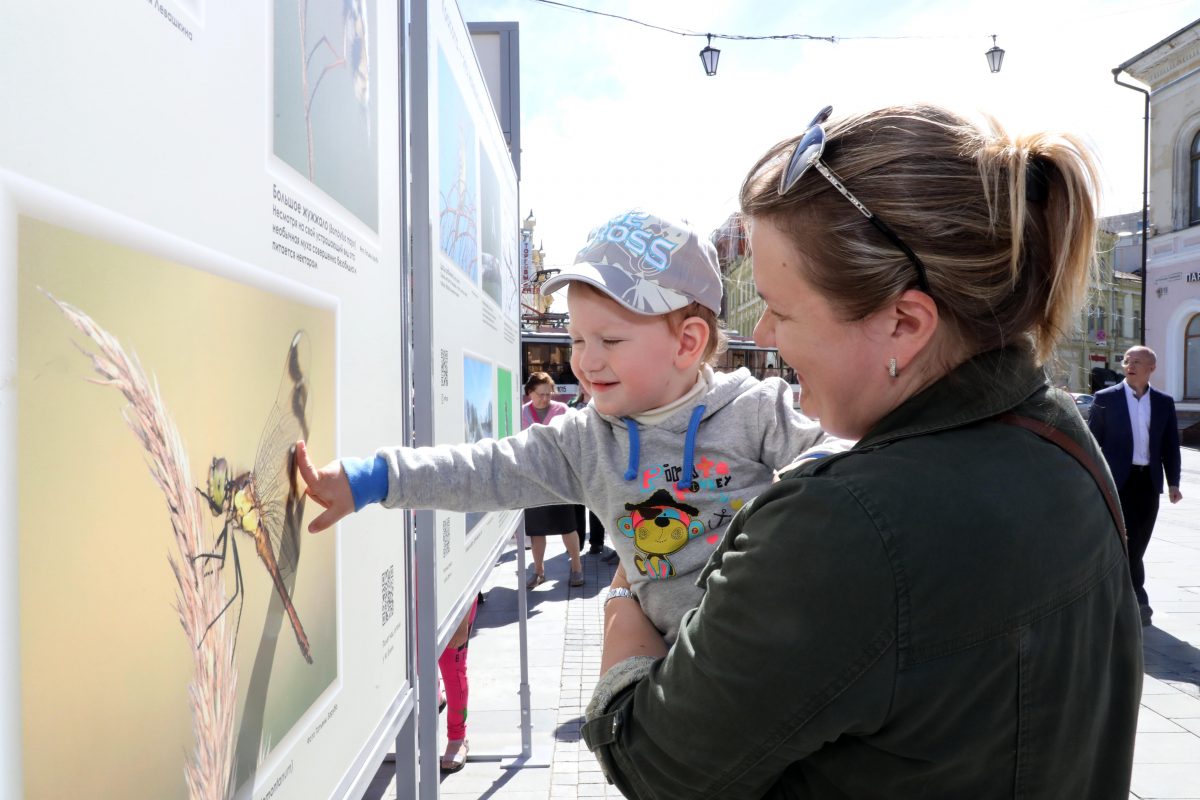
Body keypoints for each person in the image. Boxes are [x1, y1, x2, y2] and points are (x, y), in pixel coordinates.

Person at [582, 105, 1142, 798]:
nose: (769, 340)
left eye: (782, 312)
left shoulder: (842, 524)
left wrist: (622, 604)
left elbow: (651, 763)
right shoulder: (1059, 431)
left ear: (904, 323)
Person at [294, 209, 842, 645]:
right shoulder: (585, 441)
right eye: (578, 340)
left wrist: (800, 492)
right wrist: (373, 479)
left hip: (775, 641)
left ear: (688, 342)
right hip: (675, 662)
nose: (585, 361)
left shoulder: (755, 408)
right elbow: (487, 469)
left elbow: (843, 461)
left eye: (610, 341)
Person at [1088, 345, 1183, 626]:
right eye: (1127, 360)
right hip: (1117, 480)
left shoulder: (1164, 402)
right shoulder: (1105, 398)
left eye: (1137, 361)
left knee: (1140, 539)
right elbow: (1092, 443)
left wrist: (1174, 481)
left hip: (1148, 481)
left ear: (1151, 368)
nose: (1129, 365)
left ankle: (1120, 594)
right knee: (1125, 539)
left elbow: (1170, 445)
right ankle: (1138, 599)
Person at [520, 372, 584, 589]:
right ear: (530, 393)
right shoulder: (522, 413)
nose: (545, 399)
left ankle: (576, 567)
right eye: (540, 395)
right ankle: (538, 571)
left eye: (548, 394)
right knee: (537, 529)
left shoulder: (563, 410)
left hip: (559, 479)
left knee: (567, 525)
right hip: (533, 479)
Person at [437, 594, 479, 773]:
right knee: (420, 661)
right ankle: (436, 698)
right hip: (417, 600)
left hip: (454, 601)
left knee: (452, 670)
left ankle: (457, 737)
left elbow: (470, 572)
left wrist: (462, 620)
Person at [567, 386, 610, 558]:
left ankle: (597, 542)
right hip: (576, 460)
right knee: (576, 505)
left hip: (598, 461)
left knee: (596, 505)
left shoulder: (604, 404)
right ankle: (576, 543)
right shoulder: (572, 405)